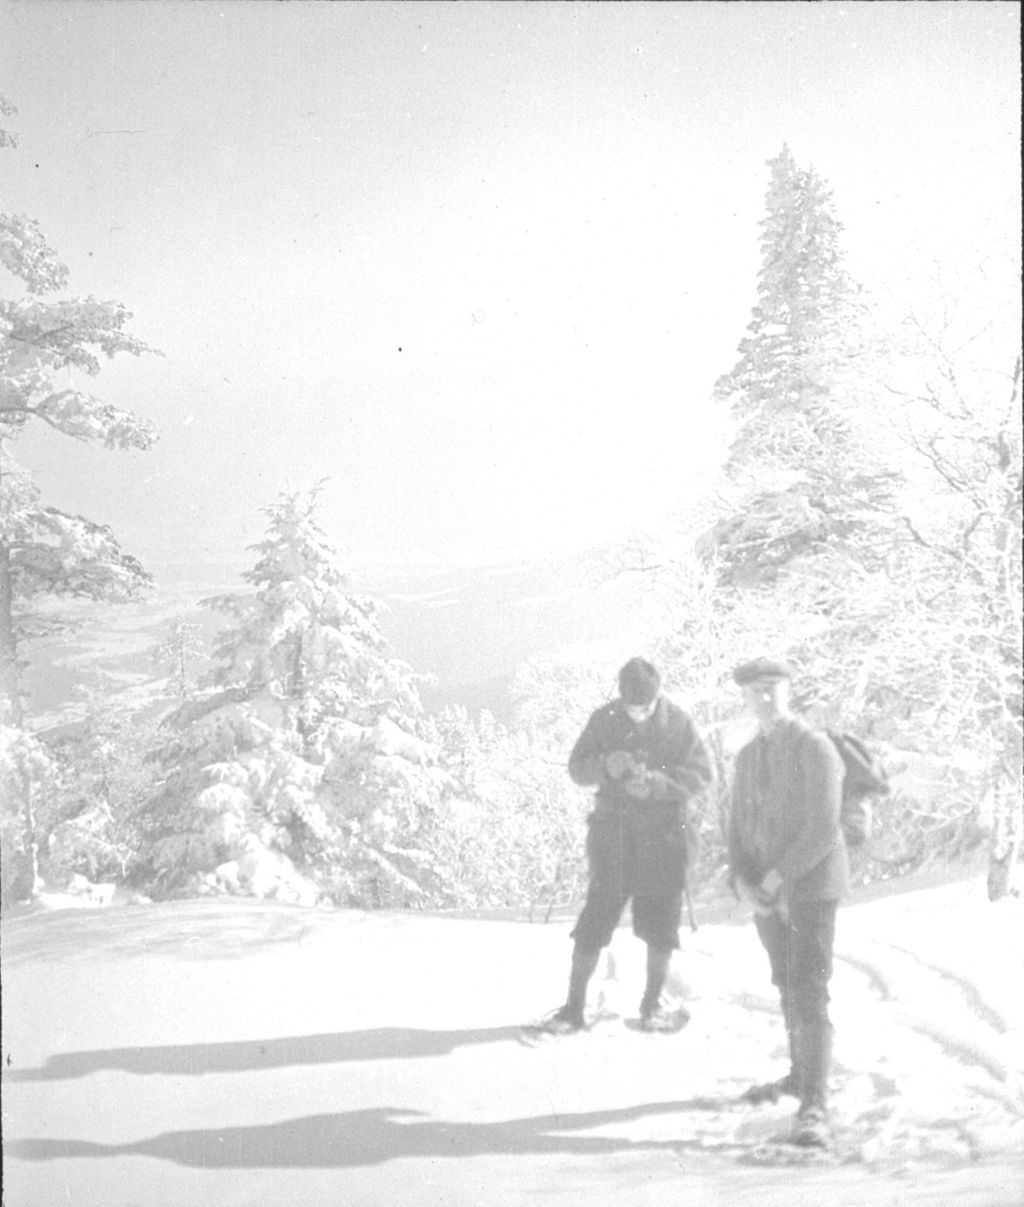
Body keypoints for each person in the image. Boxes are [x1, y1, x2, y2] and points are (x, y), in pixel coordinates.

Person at [536, 657, 712, 1035]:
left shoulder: (678, 723)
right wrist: (604, 765)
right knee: (595, 919)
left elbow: (702, 775)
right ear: (621, 699)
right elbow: (576, 768)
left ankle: (651, 1005)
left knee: (661, 923)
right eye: (631, 707)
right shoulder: (603, 720)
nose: (637, 713)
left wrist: (661, 784)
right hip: (613, 836)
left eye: (644, 707)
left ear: (657, 697)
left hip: (664, 838)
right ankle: (573, 1007)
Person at [727, 657, 847, 1148]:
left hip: (811, 888)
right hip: (766, 894)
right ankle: (799, 1076)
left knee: (810, 987)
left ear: (790, 691)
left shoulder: (815, 748)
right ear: (746, 699)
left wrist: (777, 878)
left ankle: (815, 1105)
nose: (764, 697)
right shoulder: (747, 757)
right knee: (786, 983)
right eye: (755, 690)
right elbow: (735, 826)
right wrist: (743, 880)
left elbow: (824, 827)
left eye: (773, 688)